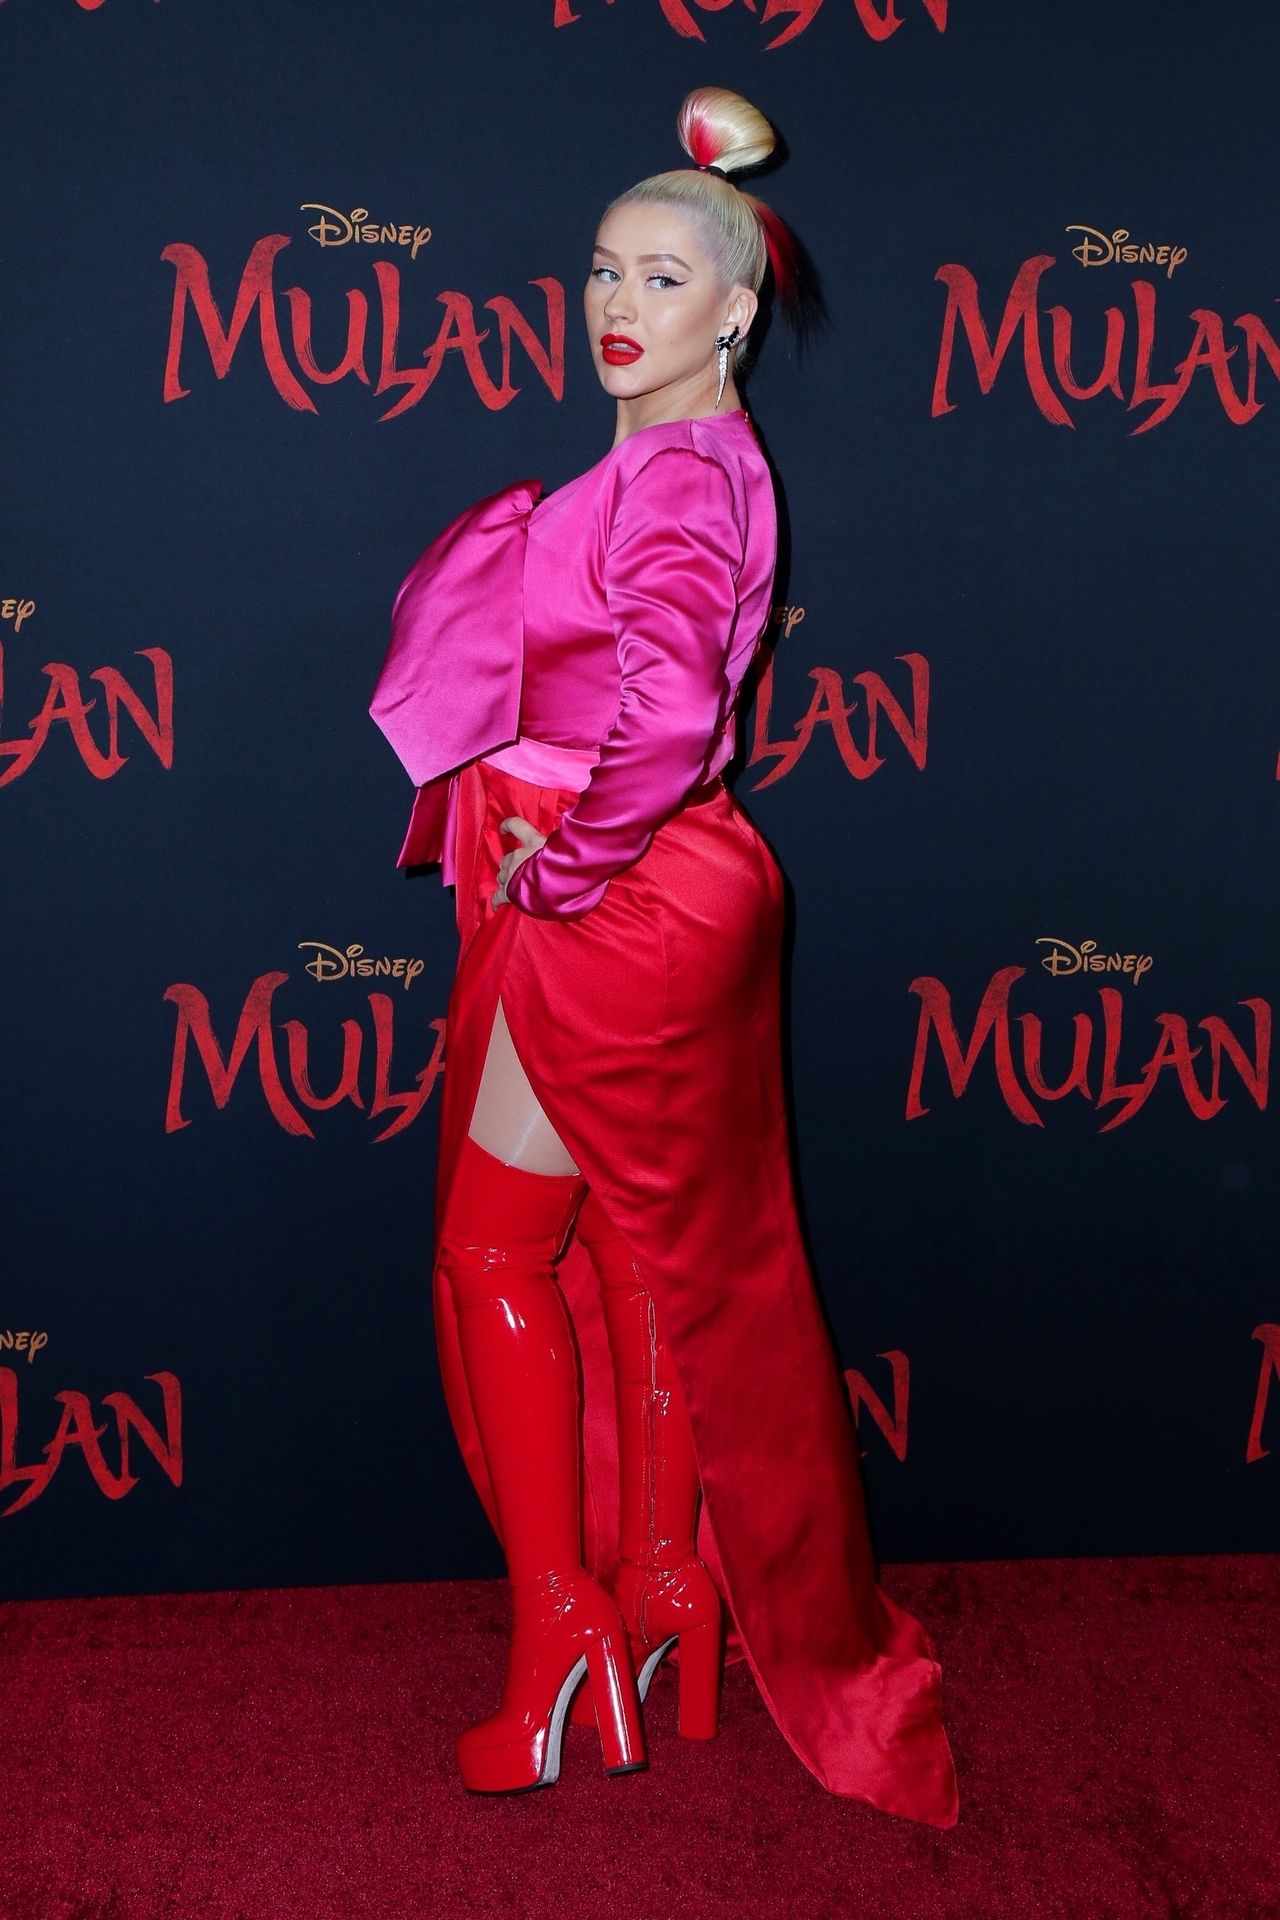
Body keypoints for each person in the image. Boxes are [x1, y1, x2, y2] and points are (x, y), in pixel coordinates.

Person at [370, 84, 959, 1826]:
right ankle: (664, 1587)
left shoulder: (685, 481)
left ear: (737, 308)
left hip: (618, 894)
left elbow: (672, 713)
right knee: (643, 1252)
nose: (619, 306)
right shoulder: (683, 458)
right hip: (674, 887)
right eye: (603, 271)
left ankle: (560, 1635)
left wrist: (561, 869)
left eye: (663, 277)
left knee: (494, 1245)